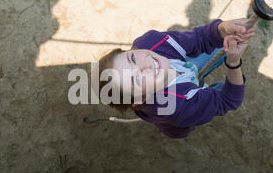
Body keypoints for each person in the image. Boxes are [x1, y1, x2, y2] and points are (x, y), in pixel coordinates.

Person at [98, 18, 257, 138]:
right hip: (179, 114)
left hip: (182, 75)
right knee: (218, 94)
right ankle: (193, 114)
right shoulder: (176, 107)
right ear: (141, 99)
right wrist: (234, 62)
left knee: (222, 47)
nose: (145, 65)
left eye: (132, 59)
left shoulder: (150, 43)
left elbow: (200, 37)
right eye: (136, 79)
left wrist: (221, 29)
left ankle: (198, 86)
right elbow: (228, 101)